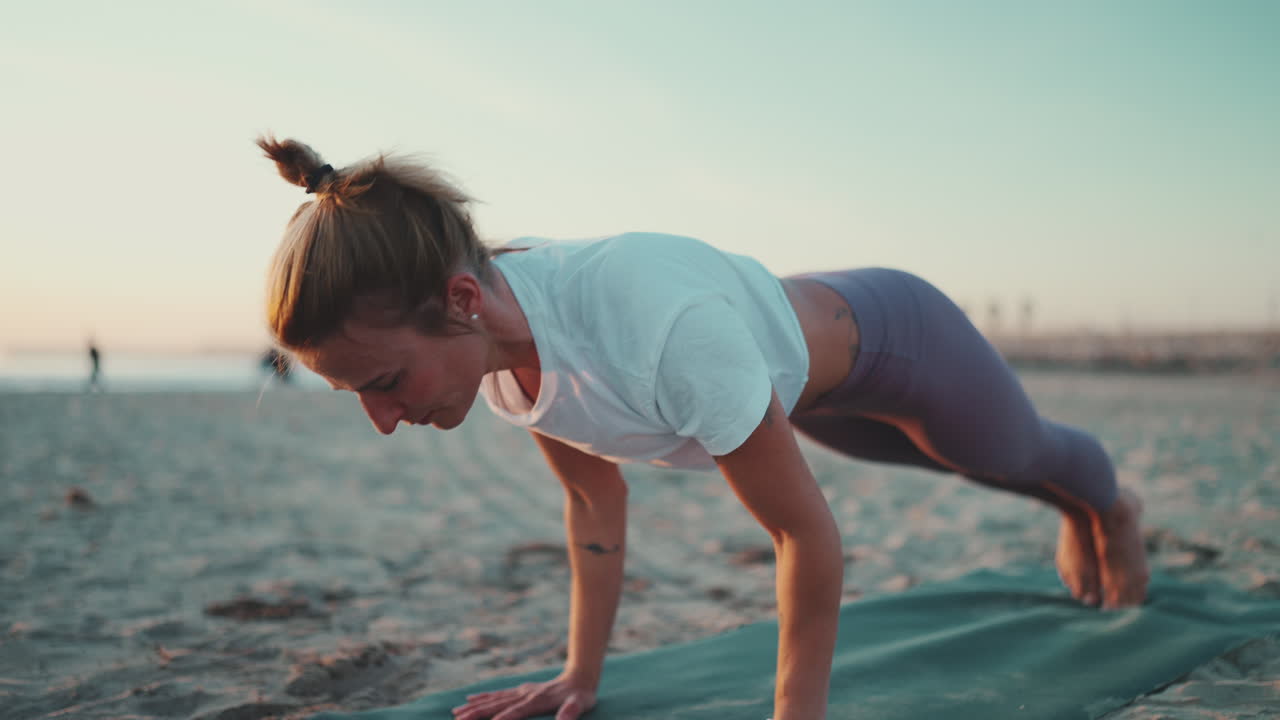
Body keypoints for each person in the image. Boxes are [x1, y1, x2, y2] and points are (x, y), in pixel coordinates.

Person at [256, 136, 1149, 720]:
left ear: (458, 303)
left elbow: (805, 533)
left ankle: (1109, 509)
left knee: (1008, 453)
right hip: (797, 385)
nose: (383, 421)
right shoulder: (495, 346)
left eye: (383, 383)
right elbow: (594, 501)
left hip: (898, 339)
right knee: (961, 465)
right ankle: (1074, 510)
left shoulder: (658, 331)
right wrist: (581, 677)